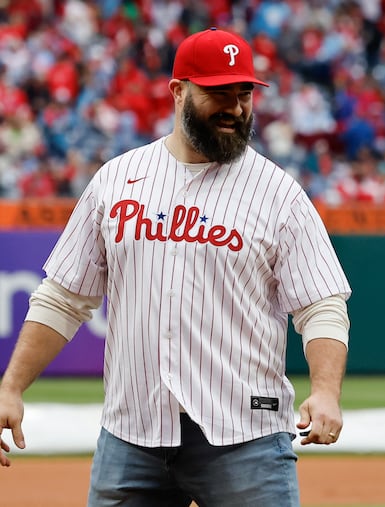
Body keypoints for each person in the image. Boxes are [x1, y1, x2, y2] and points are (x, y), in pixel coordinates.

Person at [0, 27, 352, 507]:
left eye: (244, 92)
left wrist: (326, 392)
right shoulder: (117, 181)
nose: (235, 106)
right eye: (218, 92)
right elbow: (64, 297)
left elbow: (322, 306)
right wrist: (12, 387)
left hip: (245, 437)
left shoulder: (279, 194)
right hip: (131, 436)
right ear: (178, 90)